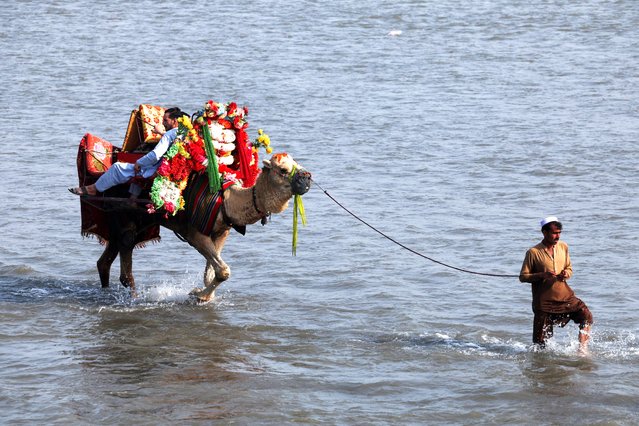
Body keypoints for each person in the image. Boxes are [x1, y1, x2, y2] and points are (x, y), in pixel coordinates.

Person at [69, 107, 188, 197]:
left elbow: (155, 155)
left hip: (163, 171)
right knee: (140, 168)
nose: (163, 124)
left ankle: (93, 189)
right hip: (179, 170)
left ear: (175, 121)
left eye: (166, 121)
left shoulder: (170, 134)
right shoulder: (187, 133)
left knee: (118, 167)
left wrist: (139, 163)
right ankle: (132, 199)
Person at [519, 216, 593, 353]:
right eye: (554, 233)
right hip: (544, 302)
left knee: (586, 316)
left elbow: (569, 268)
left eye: (559, 233)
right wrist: (541, 275)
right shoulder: (533, 252)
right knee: (540, 343)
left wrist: (566, 273)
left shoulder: (563, 246)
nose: (557, 236)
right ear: (544, 232)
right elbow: (523, 277)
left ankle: (582, 350)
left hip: (565, 297)